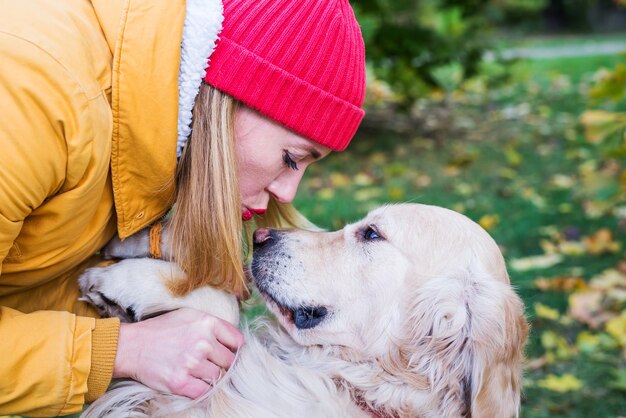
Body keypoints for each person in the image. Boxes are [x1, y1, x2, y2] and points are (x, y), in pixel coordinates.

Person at [0, 0, 366, 415]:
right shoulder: (34, 101)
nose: (287, 193)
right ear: (237, 94)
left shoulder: (139, 123)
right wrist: (122, 350)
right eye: (291, 158)